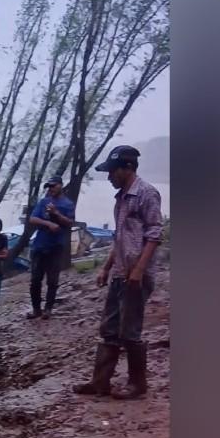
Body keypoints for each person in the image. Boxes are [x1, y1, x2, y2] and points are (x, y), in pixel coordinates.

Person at [73, 145, 163, 400]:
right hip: (120, 273)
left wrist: (139, 270)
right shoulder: (121, 198)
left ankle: (138, 385)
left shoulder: (147, 193)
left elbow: (155, 235)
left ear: (128, 168)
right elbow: (120, 237)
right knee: (109, 328)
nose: (109, 176)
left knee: (129, 330)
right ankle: (100, 382)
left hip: (137, 275)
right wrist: (106, 267)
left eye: (112, 171)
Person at [25, 175, 76, 319]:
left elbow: (70, 222)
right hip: (39, 246)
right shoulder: (44, 202)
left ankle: (48, 309)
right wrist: (48, 223)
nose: (51, 189)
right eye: (49, 186)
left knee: (52, 280)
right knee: (35, 280)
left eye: (54, 186)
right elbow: (32, 218)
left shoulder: (67, 204)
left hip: (56, 247)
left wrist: (56, 214)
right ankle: (36, 309)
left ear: (60, 185)